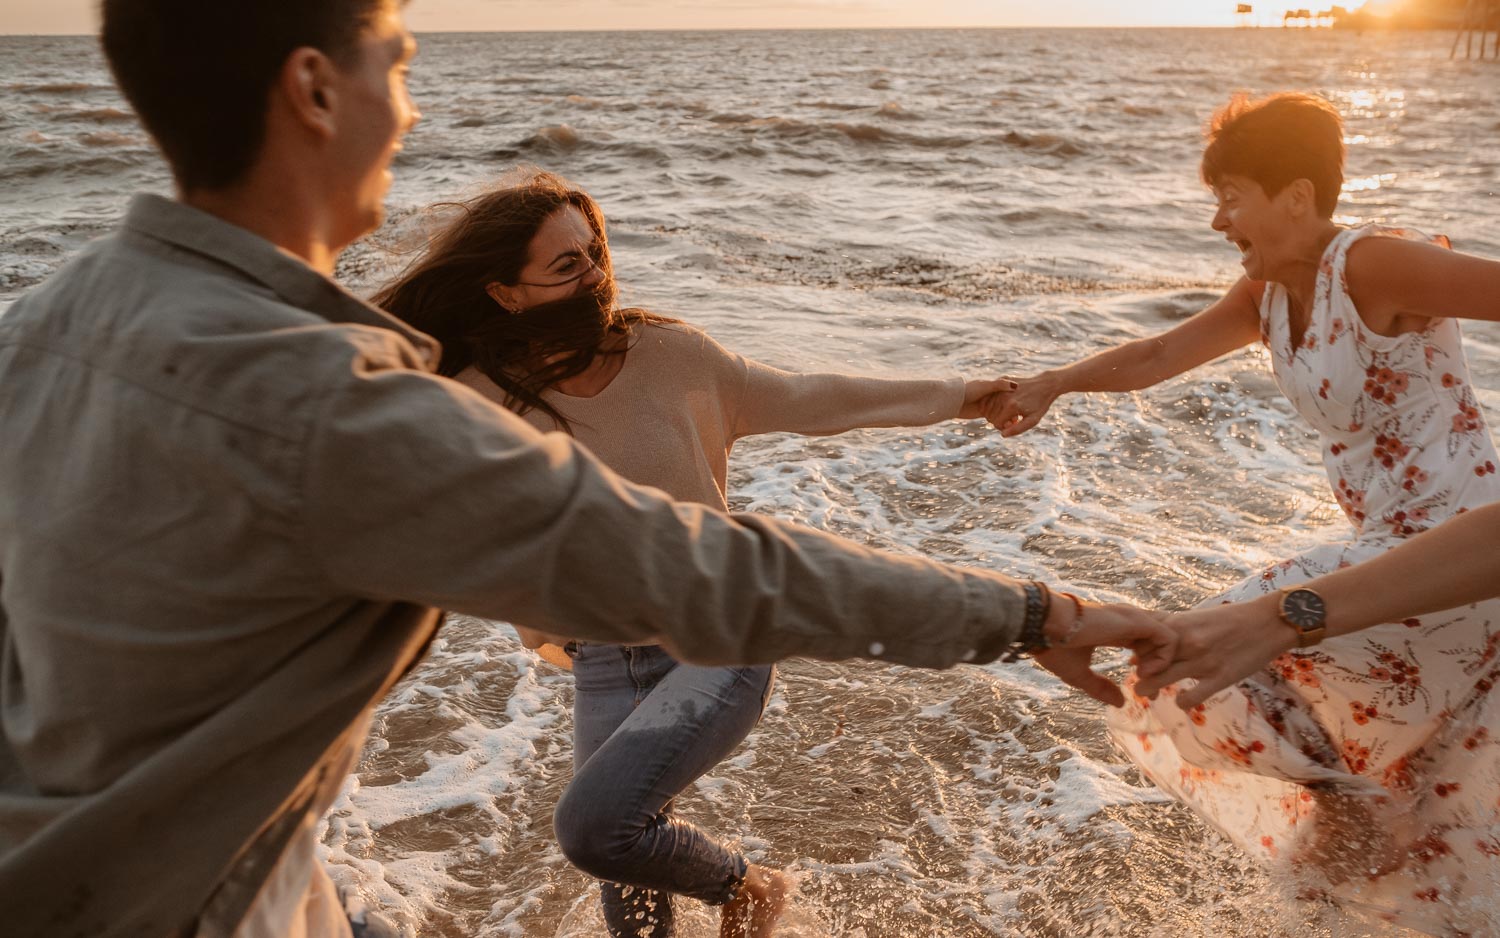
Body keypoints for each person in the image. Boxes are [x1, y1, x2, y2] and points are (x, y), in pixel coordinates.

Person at [0, 3, 1175, 937]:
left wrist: (958, 394)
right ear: (314, 89)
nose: (405, 114)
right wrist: (1027, 612)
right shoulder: (336, 406)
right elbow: (710, 573)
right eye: (398, 64)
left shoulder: (40, 326)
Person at [373, 169, 1090, 938]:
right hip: (603, 658)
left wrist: (961, 395)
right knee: (626, 867)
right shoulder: (481, 397)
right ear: (505, 294)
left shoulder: (672, 356)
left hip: (718, 634)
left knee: (596, 829)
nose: (595, 275)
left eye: (594, 252)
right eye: (566, 266)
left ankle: (748, 889)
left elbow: (817, 397)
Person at [992, 92, 1500, 933]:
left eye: (1230, 195)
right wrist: (1053, 382)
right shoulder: (1265, 294)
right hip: (1381, 551)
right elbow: (1160, 352)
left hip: (1461, 550)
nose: (1219, 221)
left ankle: (1354, 843)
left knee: (1202, 651)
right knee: (1396, 801)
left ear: (1294, 196)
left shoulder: (1372, 264)